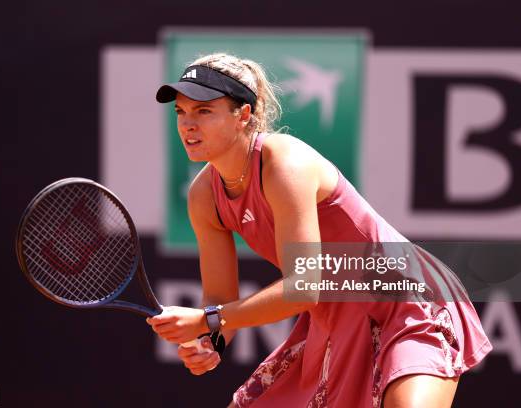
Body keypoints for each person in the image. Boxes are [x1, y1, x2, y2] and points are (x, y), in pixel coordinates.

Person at [147, 53, 492, 407]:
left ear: (243, 116)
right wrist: (209, 339)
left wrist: (209, 319)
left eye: (204, 111)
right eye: (181, 112)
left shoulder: (285, 164)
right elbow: (220, 297)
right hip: (334, 323)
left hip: (406, 301)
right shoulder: (204, 196)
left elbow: (303, 287)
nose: (188, 124)